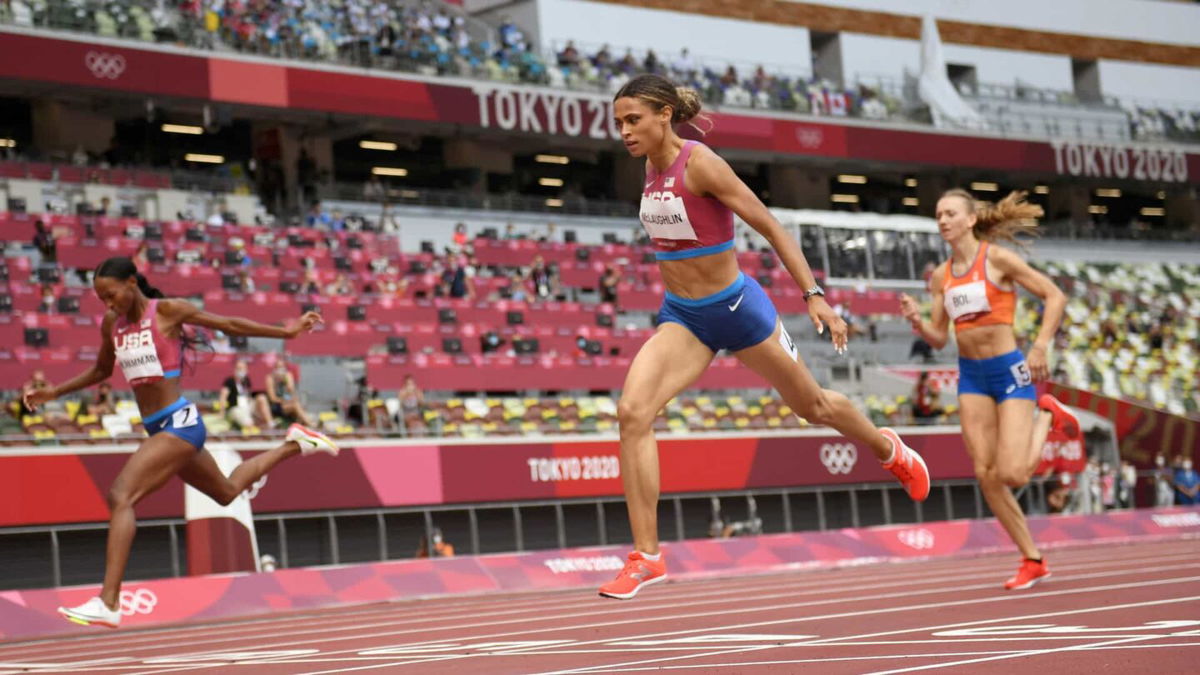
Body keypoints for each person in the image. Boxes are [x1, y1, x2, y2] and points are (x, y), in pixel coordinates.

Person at [597, 74, 931, 601]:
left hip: (738, 310)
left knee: (813, 405)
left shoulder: (701, 164)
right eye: (618, 123)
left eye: (633, 119)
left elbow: (772, 226)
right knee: (632, 413)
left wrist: (814, 294)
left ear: (664, 114)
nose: (624, 131)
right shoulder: (649, 167)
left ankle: (887, 448)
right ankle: (647, 557)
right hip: (684, 317)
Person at [23, 257, 338, 629]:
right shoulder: (112, 324)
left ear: (130, 283)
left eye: (111, 295)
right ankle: (294, 444)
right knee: (226, 491)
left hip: (180, 423)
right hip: (159, 430)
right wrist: (55, 392)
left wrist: (286, 333)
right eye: (101, 299)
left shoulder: (168, 312)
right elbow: (101, 370)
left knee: (121, 495)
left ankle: (109, 601)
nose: (107, 304)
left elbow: (229, 323)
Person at [899, 188, 1071, 591]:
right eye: (938, 214)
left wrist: (1041, 345)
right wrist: (916, 321)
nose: (943, 221)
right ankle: (1032, 558)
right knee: (986, 475)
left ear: (971, 219)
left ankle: (1047, 414)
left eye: (950, 214)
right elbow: (940, 338)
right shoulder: (941, 276)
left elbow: (1054, 295)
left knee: (1012, 472)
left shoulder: (996, 258)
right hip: (972, 376)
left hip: (1011, 369)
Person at [219, 359, 273, 430]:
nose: (241, 371)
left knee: (261, 398)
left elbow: (249, 395)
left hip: (247, 406)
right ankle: (249, 423)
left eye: (243, 368)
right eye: (239, 368)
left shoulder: (246, 380)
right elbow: (223, 397)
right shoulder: (229, 381)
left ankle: (270, 423)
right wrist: (221, 413)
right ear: (235, 369)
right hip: (236, 408)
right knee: (249, 424)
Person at [264, 358, 315, 427]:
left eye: (282, 367)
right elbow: (273, 398)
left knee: (296, 403)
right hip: (277, 406)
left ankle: (306, 423)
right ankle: (310, 424)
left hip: (287, 403)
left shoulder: (287, 376)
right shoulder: (270, 378)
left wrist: (287, 384)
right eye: (278, 367)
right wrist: (284, 400)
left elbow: (291, 394)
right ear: (274, 368)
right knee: (295, 405)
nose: (280, 370)